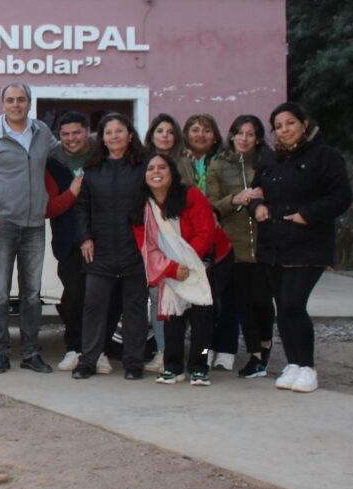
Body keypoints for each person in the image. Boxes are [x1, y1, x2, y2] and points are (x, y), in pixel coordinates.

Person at [250, 102, 351, 393]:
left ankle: (307, 367)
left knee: (294, 303)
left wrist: (308, 214)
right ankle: (293, 363)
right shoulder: (269, 160)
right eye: (278, 126)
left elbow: (341, 196)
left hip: (308, 245)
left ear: (304, 124)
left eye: (290, 123)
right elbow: (256, 193)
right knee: (283, 308)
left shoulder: (325, 157)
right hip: (273, 244)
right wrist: (256, 207)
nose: (284, 130)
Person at [0, 83, 59, 375]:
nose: (16, 104)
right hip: (2, 226)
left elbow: (62, 156)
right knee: (1, 294)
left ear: (29, 102)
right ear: (2, 104)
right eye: (10, 100)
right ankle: (0, 353)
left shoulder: (42, 132)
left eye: (21, 100)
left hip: (34, 226)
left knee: (32, 294)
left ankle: (31, 353)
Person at [134, 153, 231, 387]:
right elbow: (146, 245)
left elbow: (205, 233)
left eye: (162, 167)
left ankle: (200, 365)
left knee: (203, 319)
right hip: (172, 268)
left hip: (206, 261)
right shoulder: (142, 206)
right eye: (150, 168)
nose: (156, 172)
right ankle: (173, 367)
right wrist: (172, 268)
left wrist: (185, 264)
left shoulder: (191, 195)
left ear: (172, 172)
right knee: (172, 317)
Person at [72, 113, 147, 380]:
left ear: (130, 135)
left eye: (119, 131)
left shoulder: (144, 166)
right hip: (99, 249)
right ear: (101, 138)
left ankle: (134, 363)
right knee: (93, 305)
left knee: (135, 307)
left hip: (134, 248)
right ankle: (88, 360)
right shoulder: (92, 170)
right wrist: (85, 238)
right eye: (108, 132)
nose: (114, 136)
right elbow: (81, 209)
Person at [207, 115, 274, 378]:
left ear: (257, 138)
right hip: (233, 245)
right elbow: (211, 203)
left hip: (266, 243)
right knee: (243, 303)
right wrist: (235, 199)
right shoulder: (219, 165)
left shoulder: (268, 164)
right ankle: (256, 355)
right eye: (240, 133)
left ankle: (266, 343)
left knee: (263, 300)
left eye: (250, 134)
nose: (244, 138)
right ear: (232, 135)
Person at [183, 112, 238, 370]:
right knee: (202, 305)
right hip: (192, 242)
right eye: (195, 129)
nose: (200, 134)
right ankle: (206, 350)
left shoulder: (226, 162)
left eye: (206, 130)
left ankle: (225, 348)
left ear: (215, 135)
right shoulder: (181, 163)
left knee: (223, 299)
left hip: (221, 241)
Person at [50, 111, 92, 371]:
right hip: (67, 240)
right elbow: (49, 206)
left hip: (101, 238)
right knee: (73, 296)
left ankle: (97, 350)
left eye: (76, 132)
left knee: (101, 297)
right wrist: (71, 193)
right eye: (65, 134)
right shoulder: (52, 161)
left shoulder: (102, 156)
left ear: (87, 131)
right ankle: (74, 347)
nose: (71, 138)